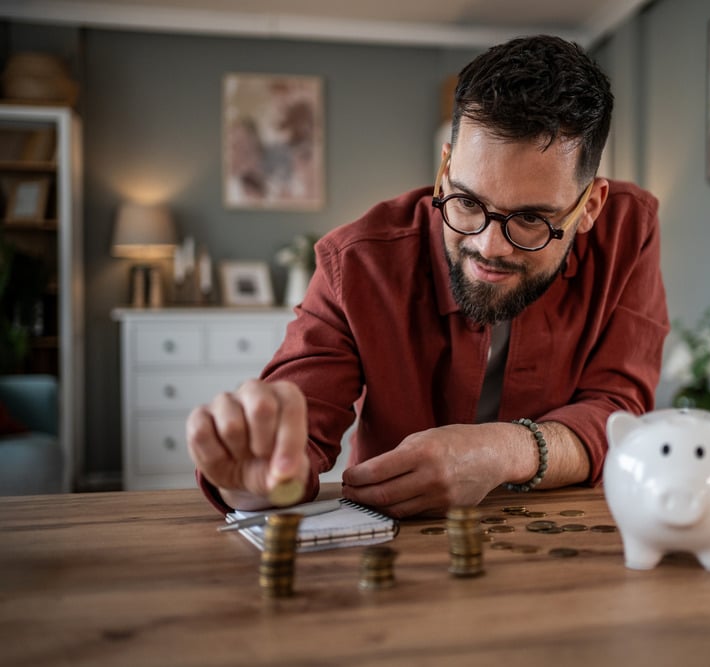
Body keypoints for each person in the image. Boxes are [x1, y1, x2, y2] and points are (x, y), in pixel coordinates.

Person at [187, 35, 670, 518]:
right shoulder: (355, 263)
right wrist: (254, 482)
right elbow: (295, 439)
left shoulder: (630, 232)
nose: (488, 246)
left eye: (530, 220)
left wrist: (505, 450)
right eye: (466, 202)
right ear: (444, 169)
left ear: (590, 207)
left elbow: (618, 407)